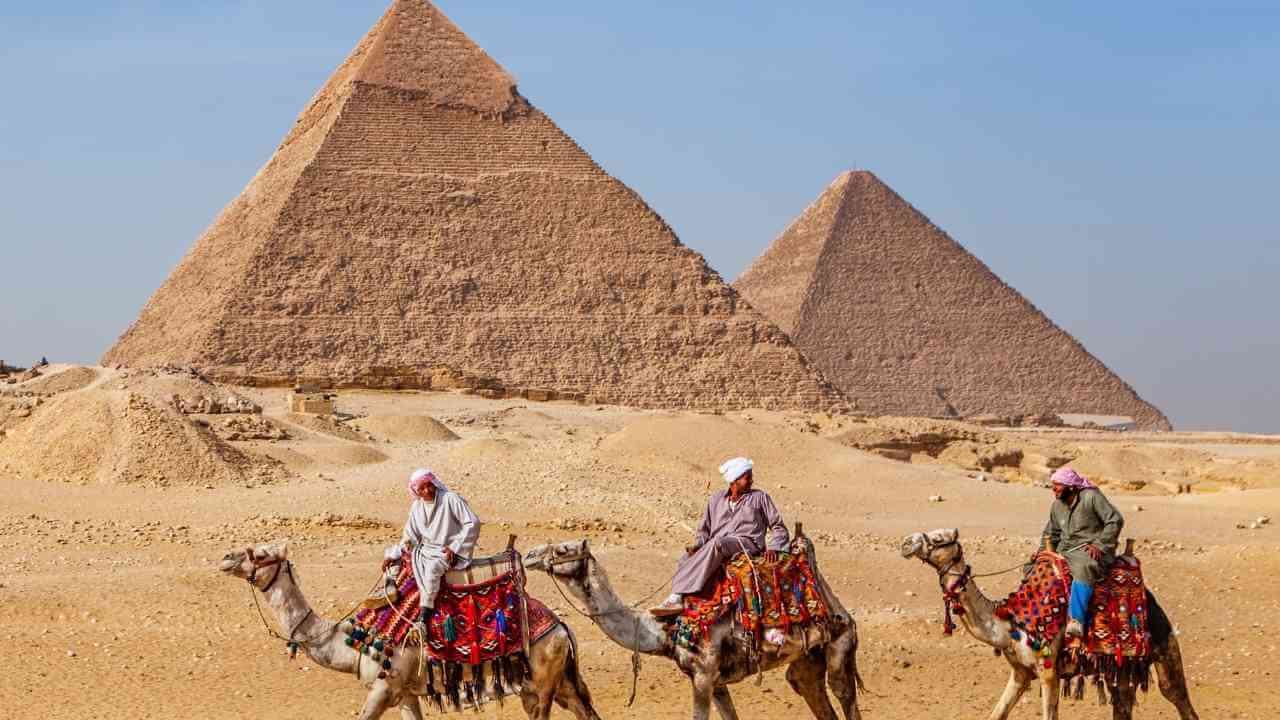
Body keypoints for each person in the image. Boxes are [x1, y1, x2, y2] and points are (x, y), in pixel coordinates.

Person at [650, 457, 789, 617]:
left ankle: (676, 596)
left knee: (718, 543)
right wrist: (698, 544)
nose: (751, 481)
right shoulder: (716, 499)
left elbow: (778, 526)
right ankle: (685, 602)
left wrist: (774, 547)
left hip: (746, 543)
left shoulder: (760, 498)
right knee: (685, 558)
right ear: (734, 480)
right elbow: (704, 531)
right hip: (716, 545)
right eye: (747, 477)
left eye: (750, 476)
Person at [383, 468, 481, 625]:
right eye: (421, 488)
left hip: (446, 551)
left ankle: (424, 616)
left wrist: (454, 547)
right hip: (425, 550)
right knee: (397, 564)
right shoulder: (417, 507)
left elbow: (472, 523)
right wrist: (393, 554)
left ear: (435, 483)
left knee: (432, 569)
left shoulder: (450, 499)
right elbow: (410, 537)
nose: (427, 490)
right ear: (416, 491)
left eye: (429, 485)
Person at [1040, 466, 1124, 637]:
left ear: (1070, 487)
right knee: (1035, 567)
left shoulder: (1091, 497)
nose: (1053, 489)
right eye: (1052, 485)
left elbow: (1114, 520)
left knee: (1084, 566)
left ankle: (1076, 620)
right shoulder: (1057, 506)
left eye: (1058, 485)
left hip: (1092, 551)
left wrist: (1101, 545)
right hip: (1066, 551)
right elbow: (1051, 533)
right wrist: (1042, 552)